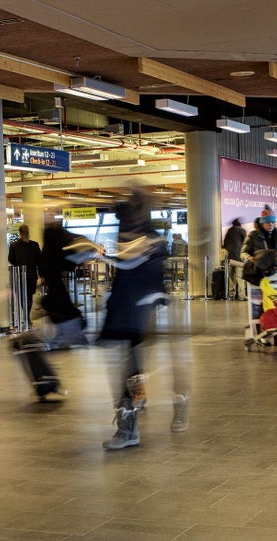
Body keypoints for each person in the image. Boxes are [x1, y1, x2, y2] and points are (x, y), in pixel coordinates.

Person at [102, 188, 189, 450]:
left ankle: (167, 410)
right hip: (127, 315)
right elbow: (126, 265)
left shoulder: (151, 240)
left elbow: (140, 265)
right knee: (130, 370)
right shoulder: (133, 236)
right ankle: (130, 424)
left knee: (133, 370)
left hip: (141, 315)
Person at [39, 223, 88, 350]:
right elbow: (72, 260)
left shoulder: (48, 251)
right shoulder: (58, 253)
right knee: (74, 338)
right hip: (61, 305)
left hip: (57, 303)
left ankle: (51, 353)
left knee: (61, 337)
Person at [8, 224, 42, 323]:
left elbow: (10, 259)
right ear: (28, 232)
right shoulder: (34, 245)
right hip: (32, 274)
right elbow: (39, 260)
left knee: (21, 295)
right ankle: (27, 316)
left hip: (19, 275)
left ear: (19, 233)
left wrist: (18, 264)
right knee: (29, 295)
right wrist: (41, 274)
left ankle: (26, 315)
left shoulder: (14, 245)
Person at [222, 218, 247, 300]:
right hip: (238, 258)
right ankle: (241, 295)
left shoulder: (229, 232)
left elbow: (225, 244)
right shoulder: (241, 230)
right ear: (239, 225)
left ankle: (232, 295)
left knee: (231, 277)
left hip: (229, 257)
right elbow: (246, 243)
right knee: (240, 277)